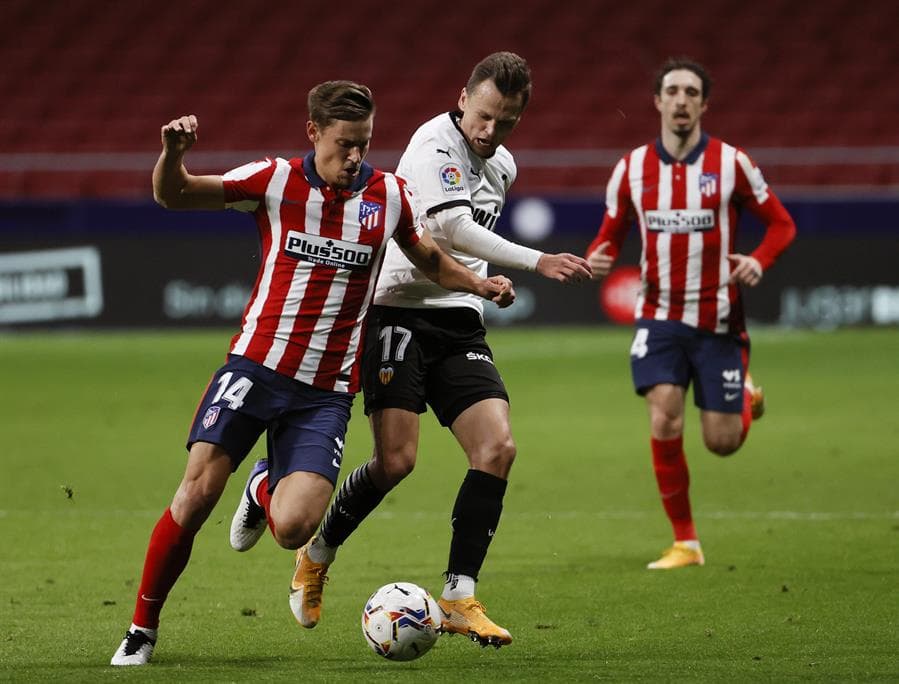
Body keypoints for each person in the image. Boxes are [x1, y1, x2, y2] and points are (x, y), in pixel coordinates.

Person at [110, 80, 515, 666]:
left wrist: (480, 283)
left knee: (294, 529)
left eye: (364, 143)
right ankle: (142, 629)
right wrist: (174, 154)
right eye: (344, 143)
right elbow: (175, 194)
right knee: (195, 496)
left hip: (324, 395)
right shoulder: (274, 180)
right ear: (314, 133)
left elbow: (429, 258)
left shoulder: (389, 195)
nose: (355, 156)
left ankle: (263, 484)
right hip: (256, 369)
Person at [229, 52, 591, 647]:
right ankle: (315, 551)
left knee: (497, 448)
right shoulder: (433, 145)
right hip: (396, 311)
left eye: (505, 121)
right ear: (463, 99)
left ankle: (458, 595)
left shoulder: (503, 166)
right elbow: (449, 229)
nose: (490, 130)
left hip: (460, 321)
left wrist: (482, 288)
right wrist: (537, 260)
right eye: (483, 115)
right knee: (396, 461)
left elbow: (469, 242)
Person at [585, 57, 796, 570]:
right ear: (658, 101)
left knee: (722, 442)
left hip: (718, 320)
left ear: (704, 104)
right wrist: (597, 257)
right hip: (658, 315)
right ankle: (686, 542)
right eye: (673, 91)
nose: (681, 100)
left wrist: (758, 260)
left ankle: (745, 395)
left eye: (691, 93)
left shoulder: (732, 164)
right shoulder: (631, 168)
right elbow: (609, 235)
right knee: (664, 413)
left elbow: (782, 225)